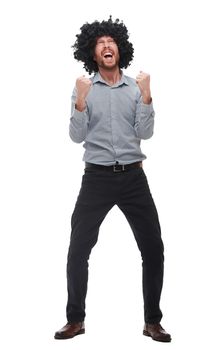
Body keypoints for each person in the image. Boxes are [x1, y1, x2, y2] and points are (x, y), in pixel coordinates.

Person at [54, 16, 171, 343]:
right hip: (96, 179)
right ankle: (75, 319)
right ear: (92, 53)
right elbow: (76, 137)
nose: (107, 46)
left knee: (153, 248)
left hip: (134, 177)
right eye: (100, 43)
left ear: (120, 48)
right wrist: (79, 100)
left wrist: (147, 96)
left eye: (112, 41)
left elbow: (144, 132)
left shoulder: (135, 88)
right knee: (78, 249)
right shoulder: (84, 88)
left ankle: (153, 321)